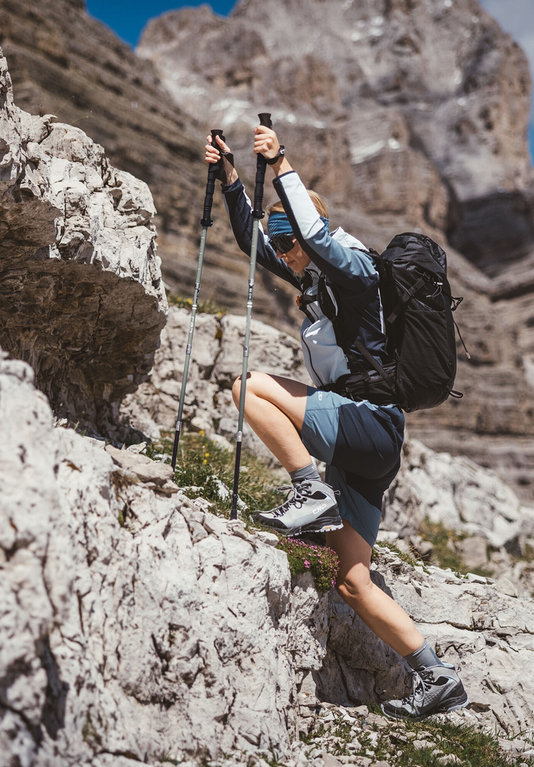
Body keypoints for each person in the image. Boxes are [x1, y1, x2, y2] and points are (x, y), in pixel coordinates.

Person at [203, 123, 468, 719]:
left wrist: (283, 162)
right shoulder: (314, 273)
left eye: (290, 243)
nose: (285, 255)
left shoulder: (350, 266)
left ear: (304, 234)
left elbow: (316, 233)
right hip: (362, 442)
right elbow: (253, 240)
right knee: (352, 580)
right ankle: (435, 676)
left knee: (250, 388)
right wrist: (229, 179)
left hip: (368, 425)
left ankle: (308, 488)